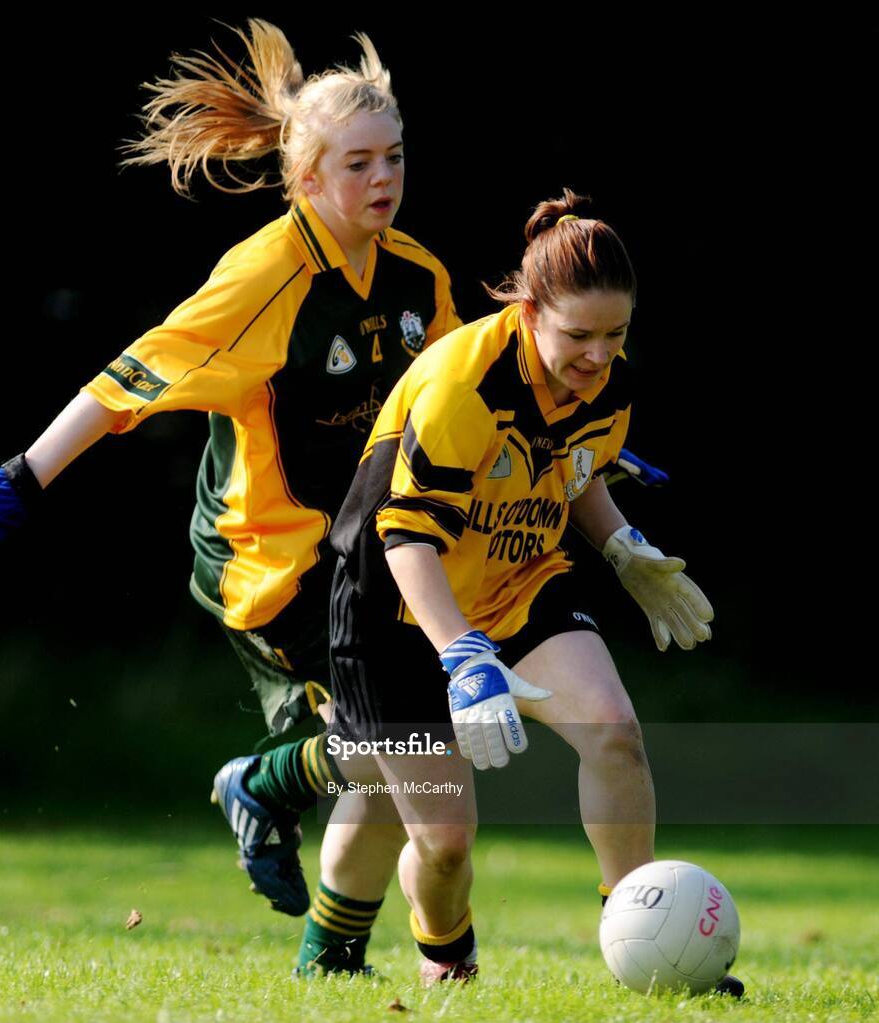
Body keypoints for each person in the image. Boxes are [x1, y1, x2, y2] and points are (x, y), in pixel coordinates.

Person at [0, 19, 459, 967]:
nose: (382, 178)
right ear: (306, 179)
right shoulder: (264, 278)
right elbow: (135, 374)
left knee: (405, 765)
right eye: (356, 164)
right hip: (271, 567)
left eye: (393, 156)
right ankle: (264, 784)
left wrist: (565, 450)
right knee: (414, 755)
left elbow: (457, 404)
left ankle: (330, 955)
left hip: (369, 560)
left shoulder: (420, 273)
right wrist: (23, 474)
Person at [318, 189, 742, 995]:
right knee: (444, 841)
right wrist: (463, 655)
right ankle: (445, 957)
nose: (598, 355)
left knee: (614, 730)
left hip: (515, 579)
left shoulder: (605, 382)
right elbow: (405, 537)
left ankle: (643, 933)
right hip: (395, 609)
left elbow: (568, 471)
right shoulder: (462, 385)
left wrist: (620, 547)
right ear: (528, 309)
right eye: (578, 335)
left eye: (616, 334)